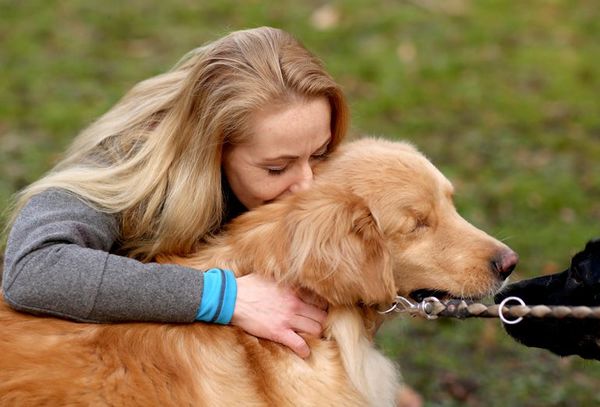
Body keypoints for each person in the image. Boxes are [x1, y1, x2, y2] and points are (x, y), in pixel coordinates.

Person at [1, 26, 349, 359]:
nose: (306, 183)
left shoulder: (291, 131)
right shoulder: (129, 161)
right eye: (276, 169)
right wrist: (223, 297)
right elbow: (34, 268)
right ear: (214, 149)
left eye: (320, 154)